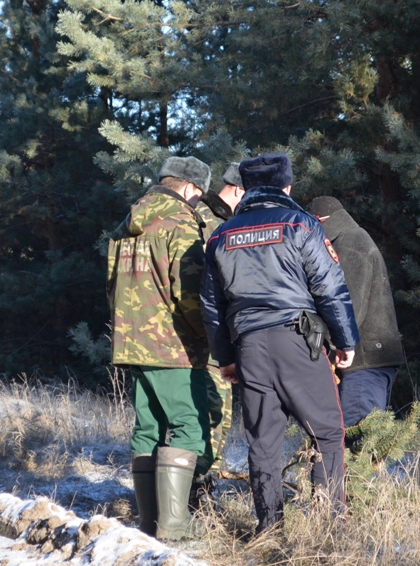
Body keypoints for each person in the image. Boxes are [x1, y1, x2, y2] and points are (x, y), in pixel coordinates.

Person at [200, 153, 360, 534]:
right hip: (297, 340)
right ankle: (330, 524)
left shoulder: (221, 235)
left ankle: (269, 529)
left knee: (263, 441)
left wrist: (224, 357)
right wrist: (345, 340)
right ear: (286, 186)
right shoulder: (301, 224)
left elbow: (212, 304)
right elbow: (330, 288)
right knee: (327, 431)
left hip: (249, 347)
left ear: (248, 188)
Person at [106, 156, 212, 540]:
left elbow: (110, 288)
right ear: (187, 187)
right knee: (189, 427)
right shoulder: (180, 223)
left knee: (148, 427)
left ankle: (149, 524)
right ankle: (174, 528)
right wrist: (209, 338)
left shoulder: (125, 226)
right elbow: (190, 294)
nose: (198, 202)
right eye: (198, 195)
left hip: (132, 343)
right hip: (174, 346)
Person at [308, 196, 406, 429]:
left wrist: (328, 351)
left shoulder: (350, 242)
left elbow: (348, 308)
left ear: (318, 221)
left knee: (355, 441)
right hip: (364, 360)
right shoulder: (349, 238)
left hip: (362, 362)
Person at [193, 162, 245, 476]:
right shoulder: (205, 219)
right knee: (211, 417)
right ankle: (196, 493)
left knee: (218, 419)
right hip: (203, 340)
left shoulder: (219, 219)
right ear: (238, 189)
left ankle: (200, 487)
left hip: (215, 339)